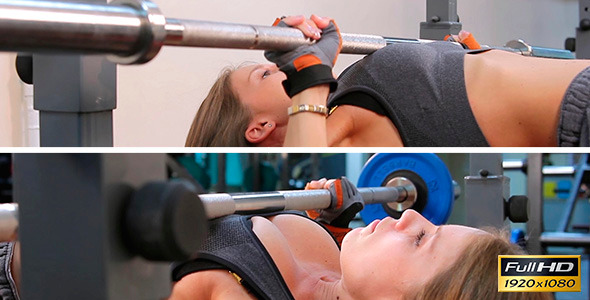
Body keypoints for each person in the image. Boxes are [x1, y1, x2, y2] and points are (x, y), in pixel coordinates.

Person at [185, 15, 590, 147]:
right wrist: (307, 73)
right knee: (560, 276)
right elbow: (314, 158)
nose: (279, 65)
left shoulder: (342, 98)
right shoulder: (336, 127)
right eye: (266, 72)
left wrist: (465, 60)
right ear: (258, 128)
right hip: (578, 111)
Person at [168, 178, 554, 300]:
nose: (410, 215)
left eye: (420, 239)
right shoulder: (333, 255)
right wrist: (335, 229)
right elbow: (548, 279)